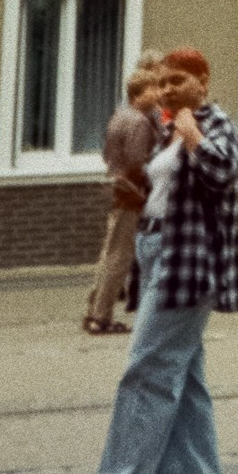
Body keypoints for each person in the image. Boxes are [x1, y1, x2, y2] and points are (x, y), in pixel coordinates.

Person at [65, 48, 238, 474]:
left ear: (203, 80)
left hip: (187, 262)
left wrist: (193, 138)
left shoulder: (214, 124)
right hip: (158, 251)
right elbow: (167, 192)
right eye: (161, 83)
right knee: (182, 379)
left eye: (177, 81)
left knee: (145, 371)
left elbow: (223, 173)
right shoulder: (167, 128)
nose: (166, 91)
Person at [81, 61, 164, 336]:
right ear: (138, 93)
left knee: (109, 254)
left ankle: (93, 311)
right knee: (120, 257)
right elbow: (138, 162)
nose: (158, 94)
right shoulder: (139, 121)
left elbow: (109, 155)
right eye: (153, 89)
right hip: (130, 194)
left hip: (117, 189)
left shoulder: (120, 115)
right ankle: (101, 317)